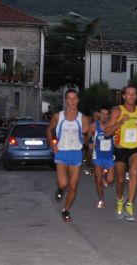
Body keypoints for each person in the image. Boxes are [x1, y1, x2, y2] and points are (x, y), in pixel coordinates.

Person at [105, 85, 137, 221]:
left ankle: (129, 204)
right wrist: (120, 122)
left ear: (136, 96)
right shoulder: (117, 111)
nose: (131, 96)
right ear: (124, 96)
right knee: (120, 180)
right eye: (128, 94)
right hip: (120, 149)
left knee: (134, 173)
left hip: (135, 149)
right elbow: (107, 132)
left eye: (133, 94)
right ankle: (120, 200)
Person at [47, 89, 89, 222]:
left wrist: (86, 133)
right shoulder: (57, 116)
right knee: (64, 183)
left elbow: (86, 139)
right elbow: (49, 129)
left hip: (76, 154)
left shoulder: (83, 118)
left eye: (74, 98)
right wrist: (52, 145)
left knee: (72, 185)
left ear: (77, 100)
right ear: (65, 100)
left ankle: (66, 209)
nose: (71, 101)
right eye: (69, 98)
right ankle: (60, 189)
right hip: (62, 153)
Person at [89, 107, 115, 208]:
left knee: (110, 180)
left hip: (110, 157)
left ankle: (106, 179)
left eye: (106, 114)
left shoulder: (112, 125)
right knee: (99, 180)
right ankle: (101, 199)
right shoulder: (94, 126)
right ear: (99, 114)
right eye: (102, 113)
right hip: (98, 157)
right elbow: (89, 139)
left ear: (109, 115)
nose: (104, 116)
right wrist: (90, 144)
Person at [85, 111, 100, 175]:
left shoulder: (104, 123)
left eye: (98, 116)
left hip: (102, 142)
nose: (96, 117)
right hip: (93, 141)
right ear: (93, 117)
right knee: (90, 153)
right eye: (95, 116)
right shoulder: (91, 125)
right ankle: (89, 167)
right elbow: (88, 136)